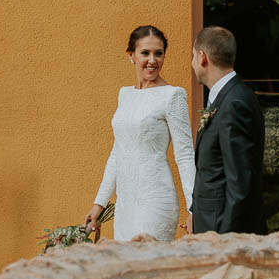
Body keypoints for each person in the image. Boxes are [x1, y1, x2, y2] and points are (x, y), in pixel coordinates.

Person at [84, 25, 195, 242]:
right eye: (145, 53)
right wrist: (99, 203)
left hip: (156, 201)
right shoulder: (124, 95)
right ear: (131, 56)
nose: (152, 60)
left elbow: (185, 155)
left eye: (158, 53)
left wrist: (194, 209)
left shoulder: (173, 96)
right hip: (125, 205)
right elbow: (118, 152)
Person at [187, 26, 265, 235]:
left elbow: (240, 184)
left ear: (202, 57)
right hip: (209, 224)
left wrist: (225, 242)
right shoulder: (227, 98)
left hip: (222, 230)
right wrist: (195, 211)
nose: (192, 63)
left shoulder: (234, 103)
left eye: (193, 56)